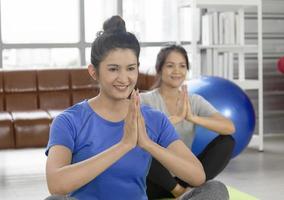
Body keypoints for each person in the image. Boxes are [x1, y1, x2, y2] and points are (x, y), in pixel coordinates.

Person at [44, 16, 213, 200]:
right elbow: (56, 185)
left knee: (214, 190)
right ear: (94, 72)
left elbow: (197, 176)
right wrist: (124, 145)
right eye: (114, 69)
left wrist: (147, 143)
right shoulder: (69, 121)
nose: (124, 79)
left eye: (130, 68)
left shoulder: (153, 119)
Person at [140, 45, 236, 199]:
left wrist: (192, 118)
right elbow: (139, 138)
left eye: (182, 66)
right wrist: (174, 120)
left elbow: (229, 127)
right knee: (141, 147)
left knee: (227, 141)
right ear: (159, 69)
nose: (177, 71)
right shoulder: (144, 100)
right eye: (170, 66)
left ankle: (190, 189)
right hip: (155, 180)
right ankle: (179, 191)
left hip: (185, 175)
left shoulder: (193, 100)